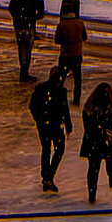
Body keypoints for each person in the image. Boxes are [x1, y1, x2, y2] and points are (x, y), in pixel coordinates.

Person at [79, 81, 112, 202]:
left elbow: (87, 126)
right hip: (108, 139)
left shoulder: (89, 108)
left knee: (93, 168)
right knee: (110, 160)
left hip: (93, 141)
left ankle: (92, 193)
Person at [29, 61, 73, 192]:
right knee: (57, 150)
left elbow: (32, 106)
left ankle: (46, 176)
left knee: (47, 149)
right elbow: (64, 109)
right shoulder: (60, 91)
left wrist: (39, 119)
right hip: (54, 124)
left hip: (45, 125)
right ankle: (49, 176)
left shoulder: (41, 88)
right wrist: (68, 124)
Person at [8, 0, 45, 82]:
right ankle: (24, 73)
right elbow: (41, 14)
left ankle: (23, 71)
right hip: (29, 27)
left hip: (18, 27)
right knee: (27, 50)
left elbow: (11, 8)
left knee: (22, 48)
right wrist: (32, 18)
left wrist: (17, 17)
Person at [56, 0, 88, 104]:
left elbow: (57, 41)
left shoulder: (62, 25)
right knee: (77, 80)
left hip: (65, 55)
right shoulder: (80, 23)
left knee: (61, 78)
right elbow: (84, 37)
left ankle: (59, 99)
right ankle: (76, 100)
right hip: (77, 55)